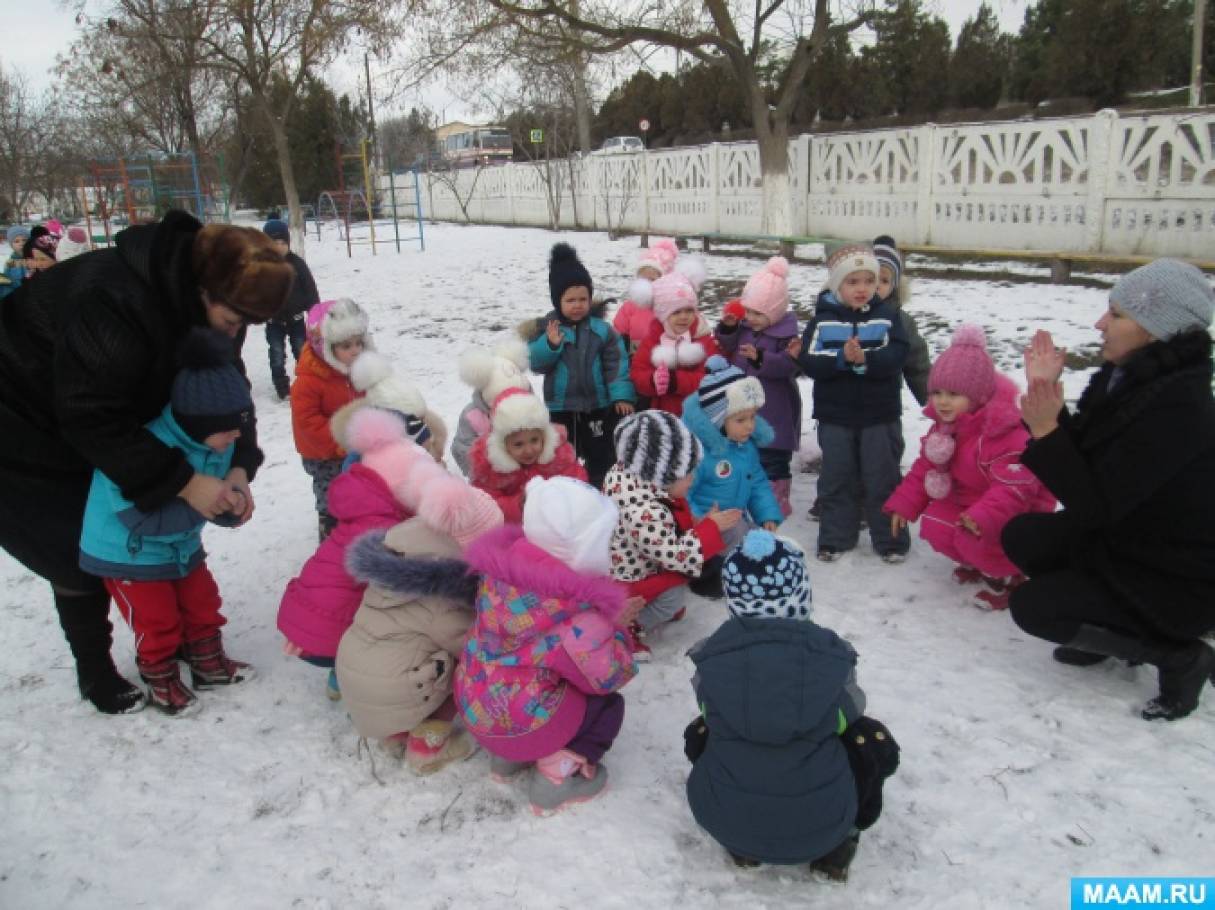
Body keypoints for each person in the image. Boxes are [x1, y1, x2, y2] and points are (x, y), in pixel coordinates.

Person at [0, 210, 291, 714]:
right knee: (74, 541)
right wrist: (182, 480)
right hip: (21, 411)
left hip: (97, 403)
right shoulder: (115, 300)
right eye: (234, 319)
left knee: (155, 529)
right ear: (202, 289)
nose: (238, 331)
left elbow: (229, 388)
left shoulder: (219, 304)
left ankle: (179, 639)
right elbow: (91, 416)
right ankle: (95, 670)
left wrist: (240, 464)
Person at [1002, 259, 1215, 721]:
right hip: (1126, 541)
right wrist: (1048, 399)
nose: (1101, 323)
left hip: (1172, 576)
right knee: (1021, 535)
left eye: (1117, 314)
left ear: (1158, 329)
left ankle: (1177, 656)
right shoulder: (1131, 377)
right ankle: (1103, 628)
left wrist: (1046, 432)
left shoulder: (1180, 407)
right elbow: (1089, 460)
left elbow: (1096, 504)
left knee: (1035, 608)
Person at [685, 530, 897, 878]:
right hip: (822, 828)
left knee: (702, 730)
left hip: (724, 822)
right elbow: (851, 710)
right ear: (801, 596)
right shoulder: (830, 657)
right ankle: (841, 843)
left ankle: (743, 845)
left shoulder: (712, 658)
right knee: (870, 738)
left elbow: (708, 708)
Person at [79, 329, 256, 715]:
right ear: (195, 424)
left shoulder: (216, 444)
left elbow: (213, 495)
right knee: (155, 620)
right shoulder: (145, 448)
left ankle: (208, 664)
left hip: (180, 545)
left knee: (202, 602)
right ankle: (160, 678)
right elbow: (136, 517)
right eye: (228, 428)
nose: (236, 436)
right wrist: (205, 506)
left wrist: (232, 506)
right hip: (129, 552)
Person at [455, 476, 638, 816]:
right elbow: (610, 674)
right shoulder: (575, 612)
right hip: (522, 723)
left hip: (478, 707)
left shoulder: (500, 578)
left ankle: (507, 759)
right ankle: (557, 777)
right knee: (606, 707)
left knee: (524, 672)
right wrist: (617, 628)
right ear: (583, 548)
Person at [337, 476, 503, 775]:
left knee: (410, 651)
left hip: (359, 685)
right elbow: (473, 645)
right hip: (391, 690)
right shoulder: (441, 594)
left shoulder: (396, 559)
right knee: (467, 664)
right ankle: (427, 746)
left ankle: (398, 731)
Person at [884, 325, 1056, 609]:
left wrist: (981, 516)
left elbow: (1013, 490)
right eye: (937, 392)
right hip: (970, 501)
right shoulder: (947, 428)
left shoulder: (1004, 432)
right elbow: (925, 465)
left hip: (1016, 511)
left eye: (953, 393)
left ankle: (1011, 575)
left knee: (974, 535)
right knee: (936, 525)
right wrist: (904, 504)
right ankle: (978, 561)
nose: (942, 401)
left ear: (979, 396)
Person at [278, 406, 437, 700]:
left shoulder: (362, 507)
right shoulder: (387, 528)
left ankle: (338, 669)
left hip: (301, 618)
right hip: (324, 633)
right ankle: (346, 676)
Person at [797, 242, 910, 563]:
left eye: (869, 281)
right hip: (836, 416)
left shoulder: (888, 317)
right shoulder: (823, 320)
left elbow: (898, 354)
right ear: (837, 284)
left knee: (882, 478)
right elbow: (810, 360)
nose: (862, 289)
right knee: (837, 476)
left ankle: (890, 540)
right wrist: (842, 359)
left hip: (880, 415)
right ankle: (835, 537)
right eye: (852, 281)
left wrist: (867, 358)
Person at [605, 410, 740, 658]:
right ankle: (626, 626)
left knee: (674, 589)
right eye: (687, 474)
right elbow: (678, 557)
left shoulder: (632, 478)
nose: (692, 480)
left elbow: (669, 526)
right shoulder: (644, 512)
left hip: (645, 563)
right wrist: (710, 528)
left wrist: (698, 523)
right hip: (629, 581)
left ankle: (649, 605)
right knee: (673, 597)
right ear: (662, 474)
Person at [527, 242, 635, 489]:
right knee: (564, 455)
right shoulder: (548, 329)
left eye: (583, 299)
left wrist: (622, 396)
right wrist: (550, 346)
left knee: (601, 454)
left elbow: (616, 363)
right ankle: (566, 490)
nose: (577, 305)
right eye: (570, 300)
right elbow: (535, 363)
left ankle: (600, 488)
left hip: (597, 406)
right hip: (561, 407)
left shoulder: (601, 331)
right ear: (557, 301)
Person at [714, 256, 802, 517]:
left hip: (775, 410)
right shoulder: (745, 329)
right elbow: (728, 347)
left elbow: (790, 365)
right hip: (744, 407)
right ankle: (747, 496)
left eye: (757, 313)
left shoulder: (787, 335)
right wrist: (728, 330)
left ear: (774, 312)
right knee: (745, 453)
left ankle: (776, 499)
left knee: (772, 458)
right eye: (748, 311)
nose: (750, 318)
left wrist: (761, 358)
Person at [682, 356, 782, 566]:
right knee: (743, 544)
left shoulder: (745, 446)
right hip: (701, 532)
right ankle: (713, 570)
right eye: (740, 420)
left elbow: (757, 483)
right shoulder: (699, 453)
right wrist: (702, 522)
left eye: (753, 417)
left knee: (765, 544)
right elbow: (683, 496)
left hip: (734, 521)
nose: (750, 426)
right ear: (717, 421)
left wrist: (767, 515)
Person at [291, 298, 372, 540]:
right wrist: (338, 443)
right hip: (323, 454)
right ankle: (330, 530)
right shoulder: (309, 381)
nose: (355, 350)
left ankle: (357, 522)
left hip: (354, 445)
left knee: (358, 488)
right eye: (346, 346)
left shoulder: (358, 370)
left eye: (359, 343)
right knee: (331, 493)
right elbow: (308, 422)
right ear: (325, 347)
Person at [467, 387, 587, 523]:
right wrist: (518, 504)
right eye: (518, 444)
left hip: (559, 522)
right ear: (503, 445)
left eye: (534, 440)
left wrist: (562, 495)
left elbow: (578, 481)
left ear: (544, 437)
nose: (529, 450)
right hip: (516, 531)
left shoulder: (558, 457)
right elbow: (486, 504)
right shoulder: (491, 471)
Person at [629, 268, 718, 415]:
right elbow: (637, 373)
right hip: (662, 413)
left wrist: (676, 381)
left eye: (689, 310)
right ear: (663, 315)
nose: (684, 317)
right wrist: (652, 380)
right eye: (676, 312)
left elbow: (712, 377)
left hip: (699, 415)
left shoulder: (703, 339)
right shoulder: (653, 340)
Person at [451, 338, 532, 476]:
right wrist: (484, 472)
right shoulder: (473, 416)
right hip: (490, 477)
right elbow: (462, 448)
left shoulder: (532, 408)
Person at [261, 218, 320, 400]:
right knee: (277, 354)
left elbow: (310, 290)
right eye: (274, 243)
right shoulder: (263, 267)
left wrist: (315, 315)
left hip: (296, 319)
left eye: (282, 243)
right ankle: (281, 386)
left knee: (302, 352)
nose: (279, 247)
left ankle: (307, 382)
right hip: (274, 321)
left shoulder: (297, 264)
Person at [613, 236, 679, 354]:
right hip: (634, 358)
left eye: (652, 280)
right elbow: (618, 332)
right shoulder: (630, 307)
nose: (647, 284)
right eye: (643, 279)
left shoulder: (671, 307)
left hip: (664, 359)